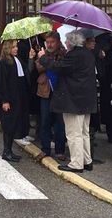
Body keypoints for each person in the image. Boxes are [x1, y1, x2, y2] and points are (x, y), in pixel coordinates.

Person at [38, 31, 97, 173]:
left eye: (67, 41)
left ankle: (76, 163)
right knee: (84, 132)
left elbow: (59, 67)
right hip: (86, 100)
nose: (65, 43)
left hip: (74, 100)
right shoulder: (88, 54)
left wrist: (43, 58)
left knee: (73, 133)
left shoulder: (74, 55)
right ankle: (86, 160)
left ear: (71, 42)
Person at [0, 40, 33, 162]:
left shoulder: (17, 60)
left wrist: (31, 58)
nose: (16, 49)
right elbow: (2, 83)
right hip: (10, 98)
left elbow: (26, 74)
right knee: (9, 125)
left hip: (19, 97)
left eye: (16, 46)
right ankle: (6, 151)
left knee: (14, 124)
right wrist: (4, 100)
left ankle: (10, 150)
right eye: (13, 47)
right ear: (7, 48)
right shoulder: (4, 63)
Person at [34, 31, 66, 160]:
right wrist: (45, 59)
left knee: (60, 122)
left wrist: (48, 61)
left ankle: (60, 150)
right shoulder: (43, 53)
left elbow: (61, 68)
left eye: (52, 42)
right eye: (48, 42)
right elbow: (39, 67)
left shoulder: (63, 54)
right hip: (45, 91)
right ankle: (45, 149)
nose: (50, 45)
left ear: (58, 42)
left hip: (59, 91)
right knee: (45, 121)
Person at [84, 34, 106, 164]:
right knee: (88, 126)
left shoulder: (95, 56)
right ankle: (89, 155)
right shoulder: (86, 56)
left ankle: (90, 154)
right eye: (91, 41)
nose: (94, 43)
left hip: (93, 91)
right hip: (86, 94)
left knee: (91, 125)